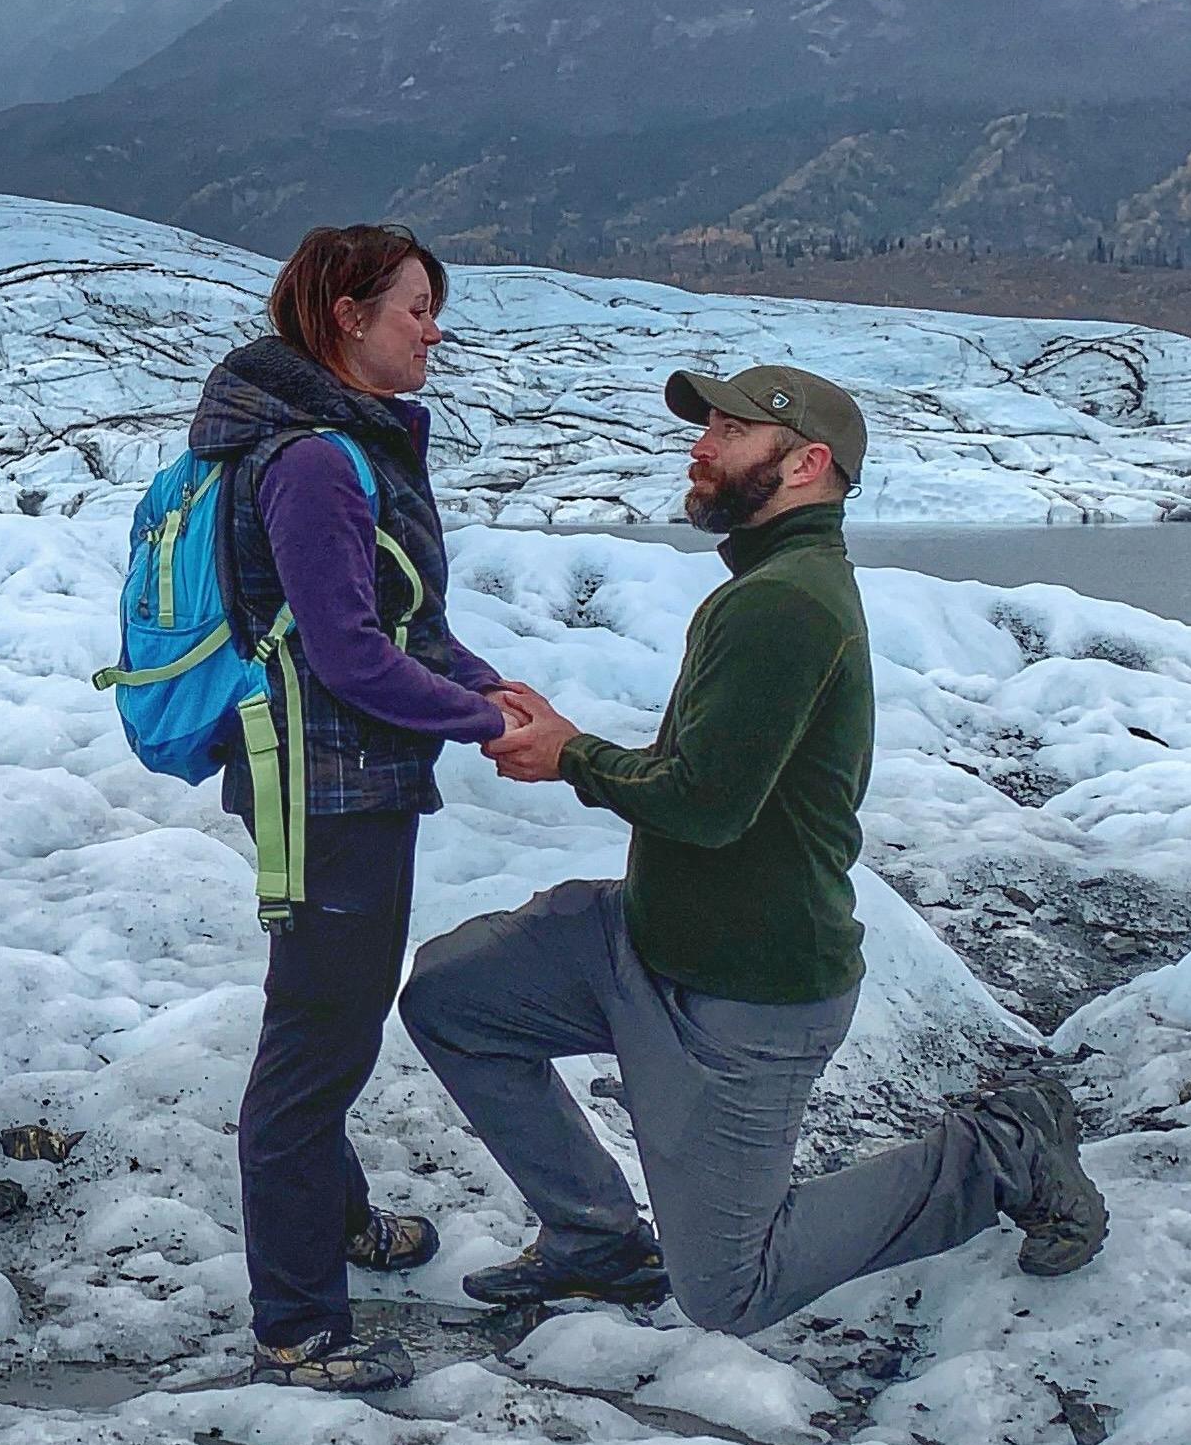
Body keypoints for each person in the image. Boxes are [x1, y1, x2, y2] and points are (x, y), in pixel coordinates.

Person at [398, 358, 1107, 1335]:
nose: (702, 445)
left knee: (732, 1290)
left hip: (745, 995)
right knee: (452, 998)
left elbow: (707, 805)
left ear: (808, 463)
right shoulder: (773, 586)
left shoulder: (783, 604)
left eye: (731, 432)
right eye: (707, 428)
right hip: (644, 943)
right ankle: (595, 1239)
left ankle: (1001, 1152)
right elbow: (714, 772)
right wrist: (575, 743)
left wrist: (572, 756)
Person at [189, 224, 544, 1395]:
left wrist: (484, 682)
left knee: (331, 1017)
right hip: (321, 791)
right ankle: (296, 1325)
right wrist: (483, 724)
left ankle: (337, 1228)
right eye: (415, 310)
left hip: (346, 780)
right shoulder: (310, 463)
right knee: (314, 1047)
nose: (433, 331)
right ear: (346, 315)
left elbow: (400, 620)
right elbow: (345, 653)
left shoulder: (353, 447)